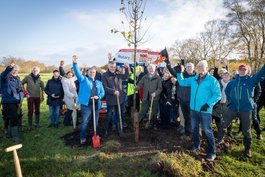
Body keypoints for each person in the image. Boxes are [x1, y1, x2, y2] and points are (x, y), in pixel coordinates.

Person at [175, 60, 221, 161]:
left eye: (202, 66)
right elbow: (182, 83)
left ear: (207, 67)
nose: (200, 67)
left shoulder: (212, 80)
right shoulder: (193, 79)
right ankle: (196, 145)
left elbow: (217, 95)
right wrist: (179, 73)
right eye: (198, 66)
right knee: (195, 129)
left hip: (205, 110)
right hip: (193, 109)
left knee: (208, 131)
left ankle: (212, 152)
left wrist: (208, 104)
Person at [221, 63, 265, 157]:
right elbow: (226, 91)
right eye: (240, 69)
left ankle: (247, 149)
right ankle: (219, 140)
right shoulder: (232, 82)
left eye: (244, 69)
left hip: (246, 109)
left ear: (247, 70)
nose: (242, 71)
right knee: (224, 123)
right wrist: (230, 99)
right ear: (238, 70)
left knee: (246, 130)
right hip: (233, 108)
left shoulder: (251, 80)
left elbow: (260, 73)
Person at [72, 55, 105, 144]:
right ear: (87, 72)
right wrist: (75, 63)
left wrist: (99, 97)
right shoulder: (84, 80)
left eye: (93, 72)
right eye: (90, 72)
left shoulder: (99, 82)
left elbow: (102, 92)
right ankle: (83, 137)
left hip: (96, 105)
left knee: (96, 122)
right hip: (86, 105)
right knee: (85, 122)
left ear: (95, 73)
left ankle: (95, 135)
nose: (92, 73)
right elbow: (77, 73)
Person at [102, 61, 129, 137]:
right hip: (111, 98)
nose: (113, 68)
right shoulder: (105, 75)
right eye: (111, 67)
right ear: (108, 66)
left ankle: (119, 129)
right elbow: (105, 87)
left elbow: (126, 76)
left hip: (119, 98)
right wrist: (113, 91)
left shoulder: (118, 74)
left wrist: (127, 68)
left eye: (114, 67)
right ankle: (106, 130)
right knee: (109, 115)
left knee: (118, 114)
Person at [1, 61, 24, 142]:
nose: (15, 71)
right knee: (13, 118)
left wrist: (21, 97)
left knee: (15, 117)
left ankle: (10, 133)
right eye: (14, 70)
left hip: (16, 101)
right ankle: (14, 136)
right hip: (8, 101)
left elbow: (20, 89)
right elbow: (3, 74)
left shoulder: (17, 78)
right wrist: (10, 67)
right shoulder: (5, 77)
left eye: (17, 70)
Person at [136, 64, 162, 130]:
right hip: (146, 97)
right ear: (147, 69)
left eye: (152, 68)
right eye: (149, 68)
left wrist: (155, 93)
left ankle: (154, 124)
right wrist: (136, 88)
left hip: (154, 98)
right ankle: (137, 123)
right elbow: (140, 84)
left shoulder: (158, 77)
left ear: (154, 69)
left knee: (154, 112)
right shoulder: (145, 77)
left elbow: (160, 88)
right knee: (143, 111)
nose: (151, 69)